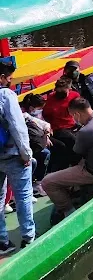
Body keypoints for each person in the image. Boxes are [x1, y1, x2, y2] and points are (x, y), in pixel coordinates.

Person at [41, 98, 93, 221]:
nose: (74, 120)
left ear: (77, 114)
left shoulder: (86, 131)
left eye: (73, 116)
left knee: (47, 182)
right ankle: (77, 191)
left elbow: (76, 152)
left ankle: (68, 212)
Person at [0, 58, 35, 253]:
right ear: (2, 77)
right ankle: (28, 236)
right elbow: (17, 126)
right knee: (23, 196)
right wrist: (26, 153)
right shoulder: (6, 95)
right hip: (13, 154)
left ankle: (2, 241)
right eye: (9, 78)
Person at [20, 94, 51, 196]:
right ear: (31, 108)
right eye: (39, 108)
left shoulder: (34, 115)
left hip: (36, 141)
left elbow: (44, 124)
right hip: (24, 145)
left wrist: (46, 135)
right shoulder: (22, 114)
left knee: (46, 152)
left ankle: (38, 183)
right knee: (35, 159)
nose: (40, 111)